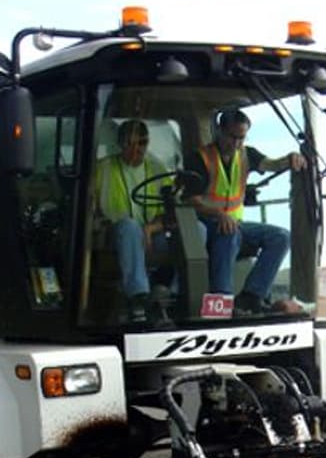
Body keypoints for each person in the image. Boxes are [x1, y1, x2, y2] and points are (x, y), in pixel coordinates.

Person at [187, 108, 306, 316]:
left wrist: (290, 159)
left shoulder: (246, 154)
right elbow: (192, 201)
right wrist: (219, 214)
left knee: (281, 237)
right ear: (219, 131)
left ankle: (251, 297)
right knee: (229, 233)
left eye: (241, 138)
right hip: (205, 224)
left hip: (236, 224)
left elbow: (271, 164)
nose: (236, 143)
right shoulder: (200, 158)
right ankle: (221, 303)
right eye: (232, 137)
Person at [93, 119, 195, 324]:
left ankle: (177, 294)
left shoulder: (157, 169)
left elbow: (169, 211)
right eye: (130, 143)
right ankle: (138, 297)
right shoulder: (102, 169)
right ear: (120, 144)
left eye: (142, 143)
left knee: (195, 230)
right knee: (130, 226)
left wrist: (150, 228)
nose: (136, 149)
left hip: (153, 234)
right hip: (115, 235)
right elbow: (90, 205)